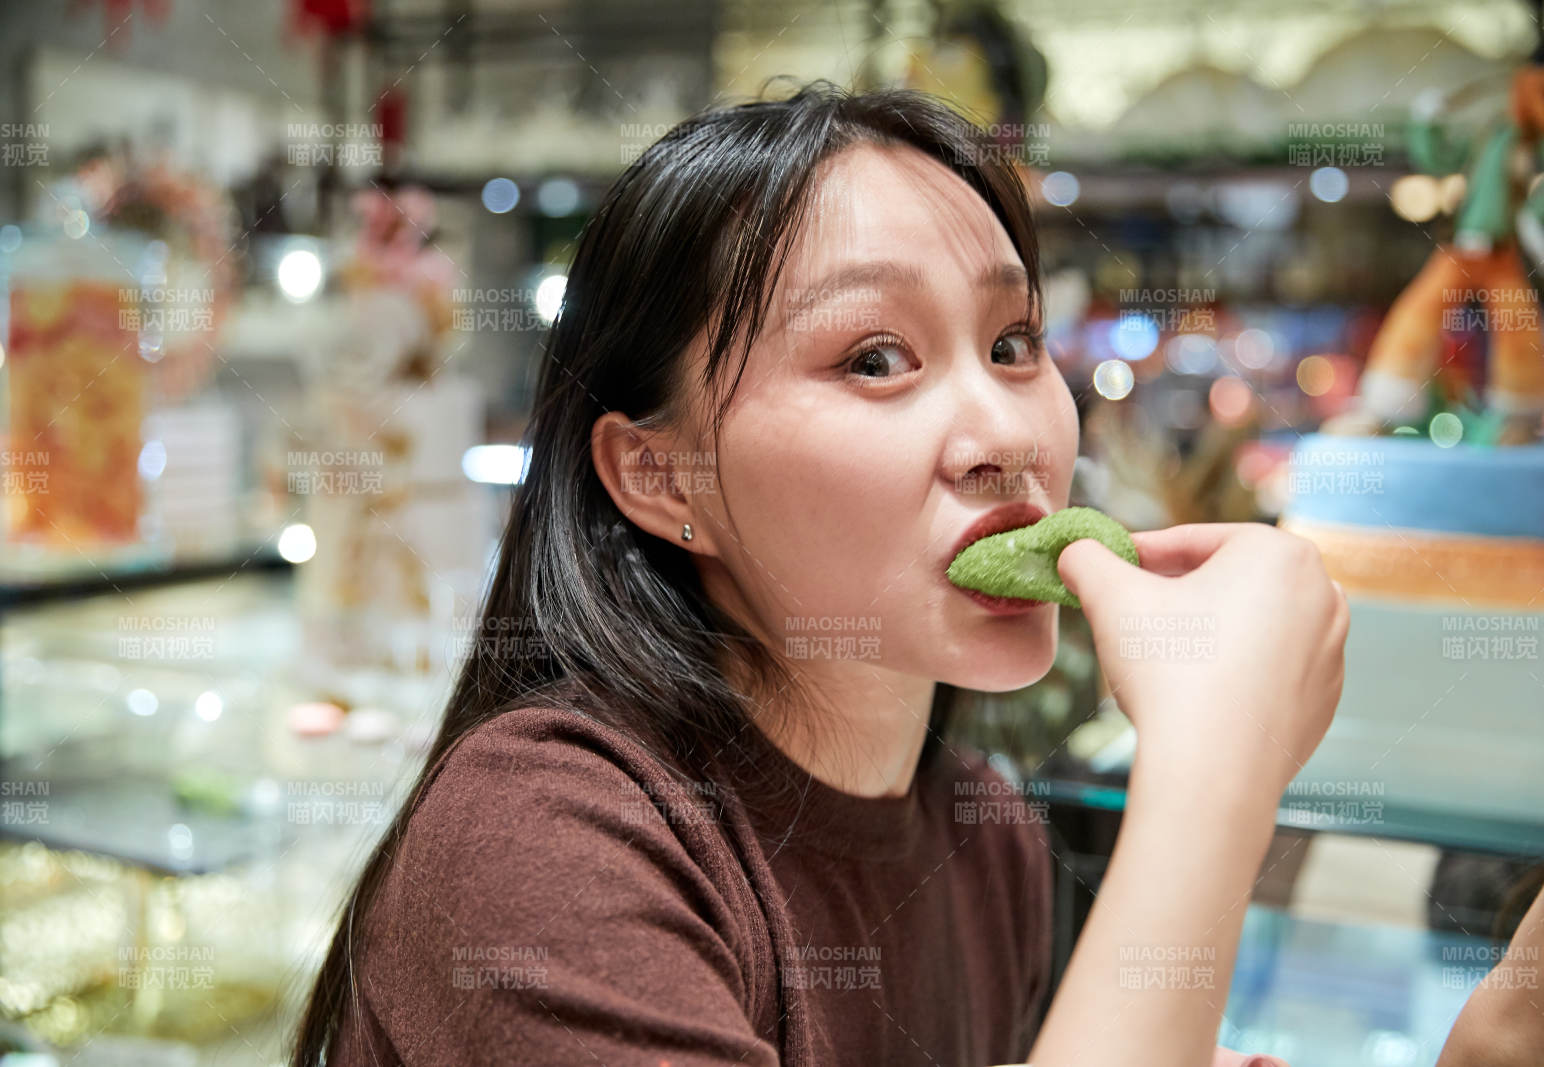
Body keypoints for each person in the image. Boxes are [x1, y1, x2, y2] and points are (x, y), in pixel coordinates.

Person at [291, 79, 1346, 1066]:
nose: (1003, 434)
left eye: (1015, 341)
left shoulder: (988, 840)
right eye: (874, 358)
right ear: (664, 477)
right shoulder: (543, 837)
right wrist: (1216, 769)